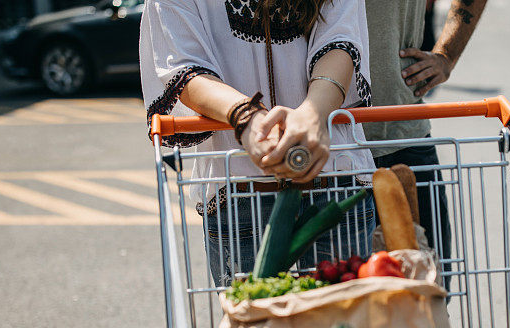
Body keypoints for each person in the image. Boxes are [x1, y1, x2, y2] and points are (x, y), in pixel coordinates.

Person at [140, 0, 375, 285]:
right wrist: (248, 119)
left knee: (344, 322)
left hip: (333, 176)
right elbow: (183, 66)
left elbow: (341, 39)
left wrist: (313, 114)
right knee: (258, 326)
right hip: (239, 193)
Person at [364, 0, 487, 282]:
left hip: (404, 133)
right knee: (337, 302)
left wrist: (446, 55)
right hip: (322, 143)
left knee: (430, 287)